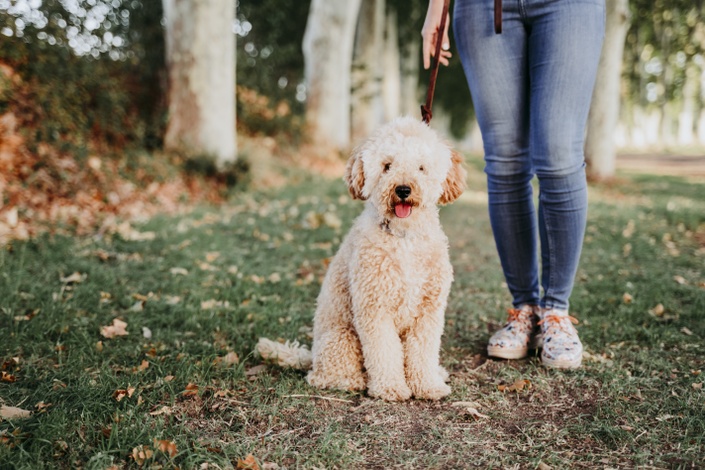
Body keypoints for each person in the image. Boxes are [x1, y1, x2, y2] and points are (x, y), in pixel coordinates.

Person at [421, 0, 605, 369]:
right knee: (504, 163)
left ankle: (556, 312)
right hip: (483, 8)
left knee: (558, 155)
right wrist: (435, 6)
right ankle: (524, 307)